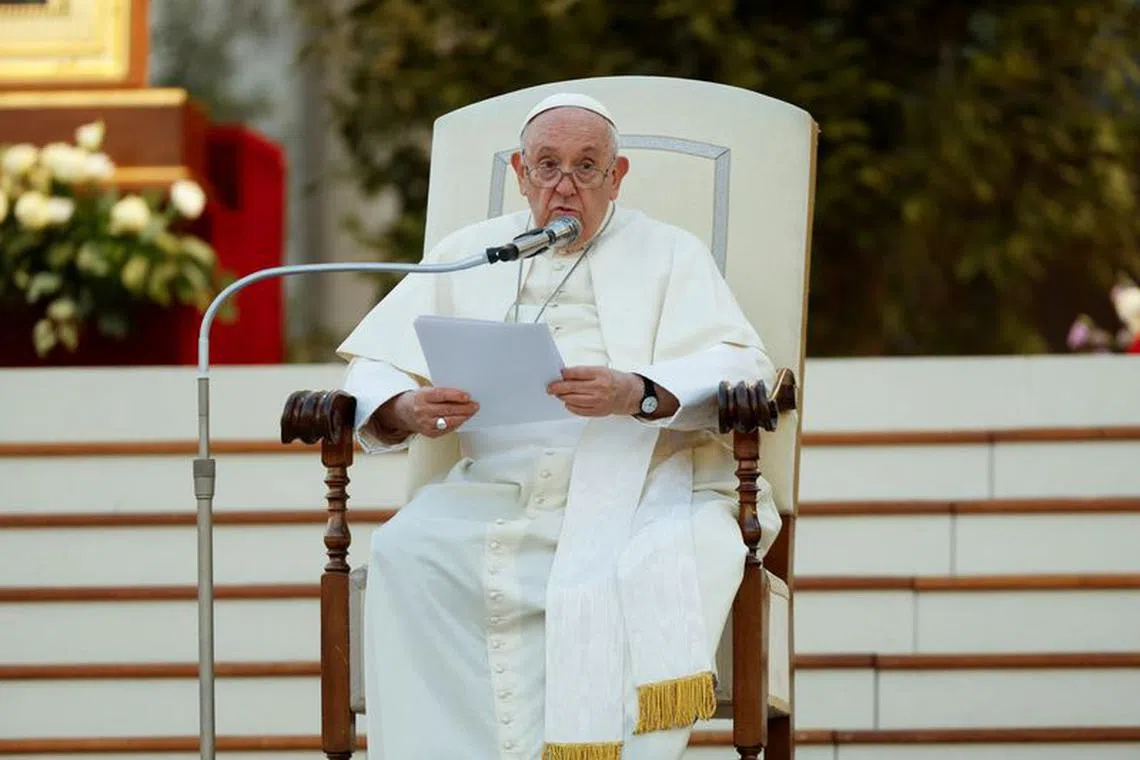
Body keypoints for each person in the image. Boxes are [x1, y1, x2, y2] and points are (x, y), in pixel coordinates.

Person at [338, 92, 781, 760]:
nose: (565, 186)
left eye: (586, 167)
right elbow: (373, 365)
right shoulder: (469, 253)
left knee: (644, 564)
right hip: (491, 487)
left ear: (618, 176)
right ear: (521, 173)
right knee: (406, 552)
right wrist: (404, 408)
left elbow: (742, 362)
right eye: (547, 167)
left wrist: (637, 391)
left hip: (637, 485)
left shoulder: (670, 254)